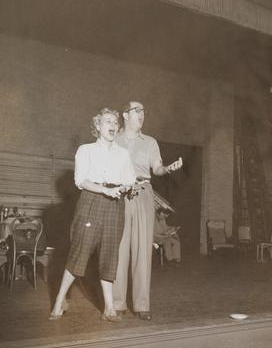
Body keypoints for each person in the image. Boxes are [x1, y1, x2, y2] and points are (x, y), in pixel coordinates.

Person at [49, 108, 136, 322]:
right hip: (91, 202)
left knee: (109, 255)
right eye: (107, 121)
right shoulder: (85, 150)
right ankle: (59, 299)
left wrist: (128, 187)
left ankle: (109, 309)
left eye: (115, 122)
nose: (113, 125)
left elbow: (129, 179)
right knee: (80, 253)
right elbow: (81, 180)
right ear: (97, 126)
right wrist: (105, 190)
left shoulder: (123, 154)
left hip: (115, 205)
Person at [113, 101, 183, 320]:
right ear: (126, 115)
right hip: (120, 194)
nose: (142, 114)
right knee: (119, 249)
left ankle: (142, 305)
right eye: (137, 110)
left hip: (144, 193)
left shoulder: (150, 142)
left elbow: (157, 168)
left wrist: (167, 169)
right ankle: (117, 303)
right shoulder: (114, 139)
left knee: (143, 250)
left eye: (143, 110)